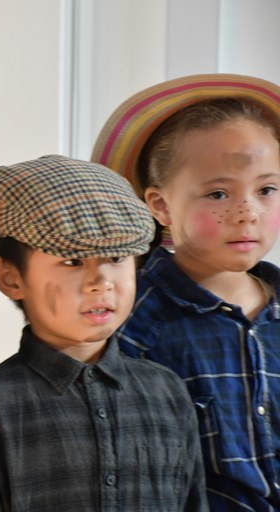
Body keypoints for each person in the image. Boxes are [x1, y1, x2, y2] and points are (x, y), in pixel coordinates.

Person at [0, 155, 207, 511]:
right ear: (10, 278)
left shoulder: (168, 392)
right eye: (73, 261)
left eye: (116, 258)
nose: (101, 282)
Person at [92, 73, 280, 511]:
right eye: (218, 193)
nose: (248, 213)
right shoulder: (129, 317)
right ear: (160, 206)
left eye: (267, 189)